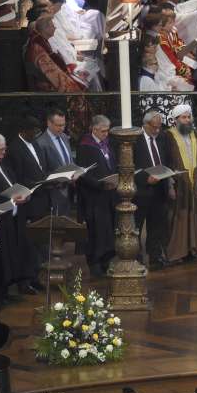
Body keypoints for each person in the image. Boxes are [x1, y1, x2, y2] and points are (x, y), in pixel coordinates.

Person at [0, 133, 34, 303]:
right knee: (3, 256)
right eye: (0, 150)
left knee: (18, 251)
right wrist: (11, 201)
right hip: (1, 220)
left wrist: (25, 194)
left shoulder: (4, 163)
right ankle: (2, 293)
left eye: (4, 149)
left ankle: (20, 283)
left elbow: (14, 184)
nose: (3, 153)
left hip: (15, 217)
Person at [163, 103, 197, 263]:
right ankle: (177, 252)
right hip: (178, 182)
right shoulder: (168, 136)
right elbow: (166, 162)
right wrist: (169, 185)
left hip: (194, 181)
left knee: (194, 214)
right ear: (175, 120)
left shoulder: (195, 134)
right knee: (179, 217)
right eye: (183, 117)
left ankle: (192, 249)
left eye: (189, 117)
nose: (187, 120)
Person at [75, 115, 118, 277]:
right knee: (96, 231)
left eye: (107, 131)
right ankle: (95, 263)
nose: (106, 134)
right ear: (94, 129)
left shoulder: (107, 144)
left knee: (109, 230)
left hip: (109, 195)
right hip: (94, 197)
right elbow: (82, 174)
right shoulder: (85, 146)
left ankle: (107, 260)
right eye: (103, 131)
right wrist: (100, 184)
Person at [133, 110, 171, 269]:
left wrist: (169, 179)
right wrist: (144, 179)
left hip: (159, 189)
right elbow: (129, 166)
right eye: (154, 127)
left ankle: (155, 256)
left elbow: (166, 160)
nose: (157, 130)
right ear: (145, 124)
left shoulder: (162, 137)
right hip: (142, 190)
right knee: (136, 226)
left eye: (159, 127)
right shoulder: (135, 139)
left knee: (157, 226)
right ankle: (136, 257)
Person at [24, 15, 86, 92]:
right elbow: (54, 75)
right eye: (52, 26)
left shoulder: (42, 42)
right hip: (49, 90)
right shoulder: (38, 48)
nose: (55, 28)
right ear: (45, 29)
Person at [33, 107, 74, 215]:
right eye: (58, 125)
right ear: (49, 123)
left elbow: (69, 160)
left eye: (63, 125)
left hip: (69, 190)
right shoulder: (40, 143)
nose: (62, 128)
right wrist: (60, 177)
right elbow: (41, 172)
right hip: (53, 193)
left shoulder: (64, 137)